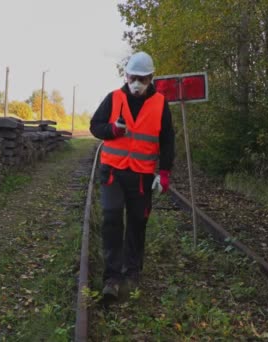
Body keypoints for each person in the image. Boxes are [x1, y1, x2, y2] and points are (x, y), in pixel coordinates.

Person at [90, 51, 175, 300]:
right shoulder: (113, 98)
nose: (137, 83)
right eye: (133, 77)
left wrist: (165, 171)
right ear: (126, 75)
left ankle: (132, 272)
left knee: (138, 222)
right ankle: (112, 277)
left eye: (143, 79)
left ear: (151, 78)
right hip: (113, 172)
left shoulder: (160, 103)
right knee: (112, 217)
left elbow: (167, 139)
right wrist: (112, 130)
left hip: (141, 176)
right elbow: (95, 126)